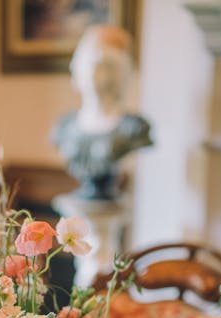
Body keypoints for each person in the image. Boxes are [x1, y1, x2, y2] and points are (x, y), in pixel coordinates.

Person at [51, 24, 153, 201]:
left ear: (118, 72)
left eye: (102, 65)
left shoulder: (133, 128)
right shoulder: (65, 126)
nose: (92, 73)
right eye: (88, 64)